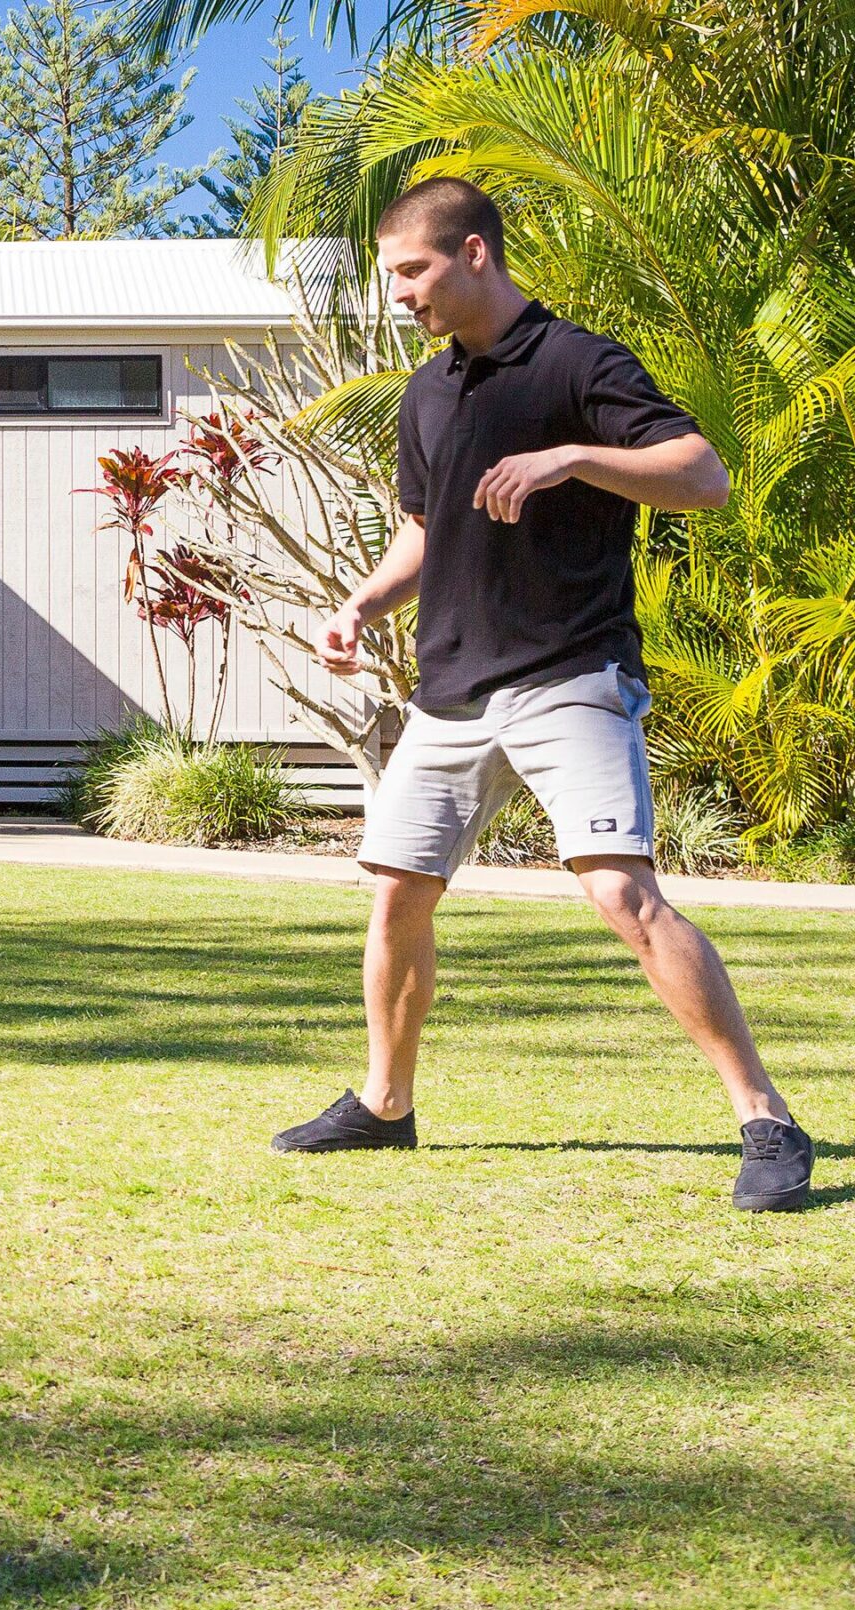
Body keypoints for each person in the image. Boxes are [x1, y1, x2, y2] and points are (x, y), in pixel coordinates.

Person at [271, 177, 814, 1213]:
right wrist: (361, 604)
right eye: (391, 276)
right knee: (394, 891)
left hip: (569, 671)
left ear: (473, 252)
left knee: (620, 893)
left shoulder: (578, 363)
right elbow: (426, 533)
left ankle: (766, 1117)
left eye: (412, 271)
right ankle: (385, 1105)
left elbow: (701, 475)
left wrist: (574, 453)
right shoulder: (428, 393)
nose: (399, 295)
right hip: (450, 690)